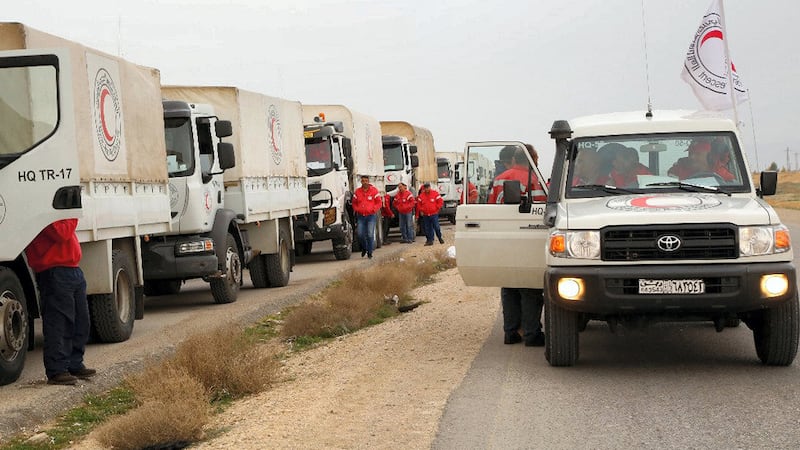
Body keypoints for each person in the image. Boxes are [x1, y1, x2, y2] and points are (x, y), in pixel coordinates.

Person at [25, 219, 96, 385]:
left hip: (71, 267)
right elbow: (61, 233)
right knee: (59, 322)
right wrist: (73, 215)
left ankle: (74, 363)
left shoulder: (60, 215)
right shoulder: (48, 214)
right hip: (53, 269)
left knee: (80, 321)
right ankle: (57, 370)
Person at [351, 175, 383, 259]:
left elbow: (379, 202)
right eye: (363, 181)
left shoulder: (374, 191)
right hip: (361, 216)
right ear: (361, 182)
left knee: (370, 234)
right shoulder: (357, 192)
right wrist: (357, 209)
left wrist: (374, 209)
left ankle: (370, 252)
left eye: (366, 181)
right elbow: (354, 203)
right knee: (360, 234)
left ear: (368, 181)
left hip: (371, 216)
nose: (364, 182)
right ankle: (364, 248)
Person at [416, 182, 444, 246]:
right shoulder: (421, 196)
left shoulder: (435, 194)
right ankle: (429, 240)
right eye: (425, 188)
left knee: (436, 227)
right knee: (427, 228)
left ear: (429, 187)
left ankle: (439, 237)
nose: (426, 189)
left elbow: (440, 201)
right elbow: (418, 204)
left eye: (427, 188)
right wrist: (421, 210)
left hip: (434, 214)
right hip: (426, 215)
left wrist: (437, 208)